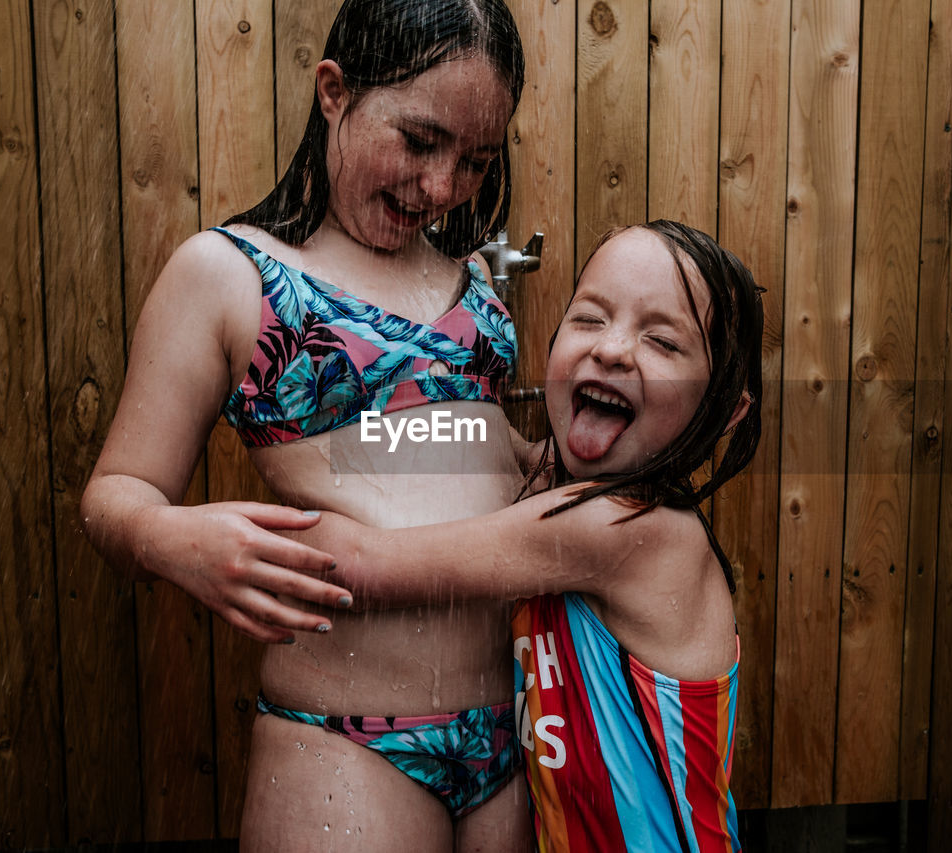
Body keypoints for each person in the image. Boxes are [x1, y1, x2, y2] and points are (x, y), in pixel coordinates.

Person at [80, 1, 532, 849]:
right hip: (347, 740)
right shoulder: (227, 273)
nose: (441, 189)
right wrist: (171, 539)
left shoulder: (472, 275)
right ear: (334, 92)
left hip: (514, 725)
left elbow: (466, 448)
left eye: (474, 161)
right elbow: (115, 493)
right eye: (420, 141)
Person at [298, 220, 763, 851]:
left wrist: (224, 516)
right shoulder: (579, 497)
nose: (613, 350)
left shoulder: (625, 532)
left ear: (726, 410)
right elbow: (496, 448)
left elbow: (367, 564)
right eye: (590, 319)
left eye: (662, 341)